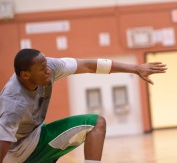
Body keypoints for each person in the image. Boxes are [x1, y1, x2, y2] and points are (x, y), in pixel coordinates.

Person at [0, 48, 167, 163]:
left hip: (34, 137)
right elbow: (3, 142)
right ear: (25, 75)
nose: (48, 71)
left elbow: (88, 65)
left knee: (95, 123)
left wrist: (135, 68)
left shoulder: (50, 66)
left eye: (46, 65)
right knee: (95, 123)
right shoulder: (13, 103)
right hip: (16, 153)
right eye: (42, 68)